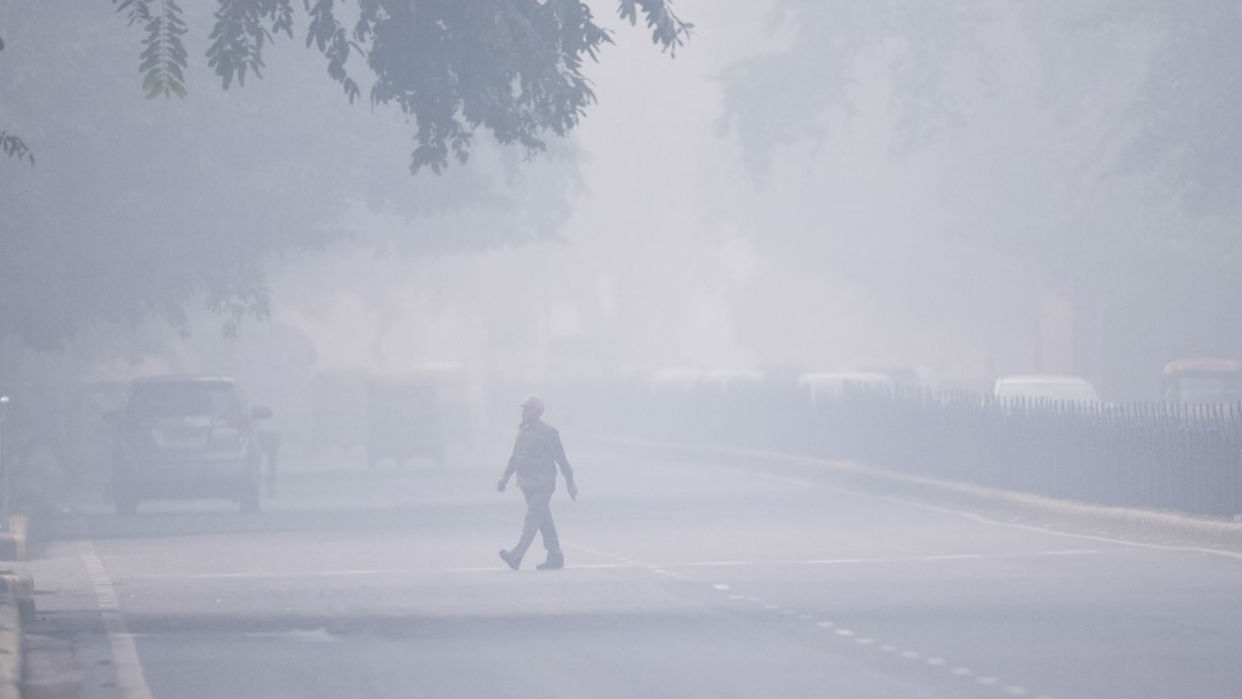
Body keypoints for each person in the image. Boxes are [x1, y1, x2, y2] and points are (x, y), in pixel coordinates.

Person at [497, 394, 578, 570]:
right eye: (523, 409)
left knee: (532, 519)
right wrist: (505, 477)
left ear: (538, 412)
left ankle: (516, 555)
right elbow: (515, 457)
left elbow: (561, 459)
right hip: (526, 484)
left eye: (527, 409)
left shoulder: (548, 432)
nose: (523, 412)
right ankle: (555, 555)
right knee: (543, 520)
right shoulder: (523, 430)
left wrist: (570, 482)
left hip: (543, 483)